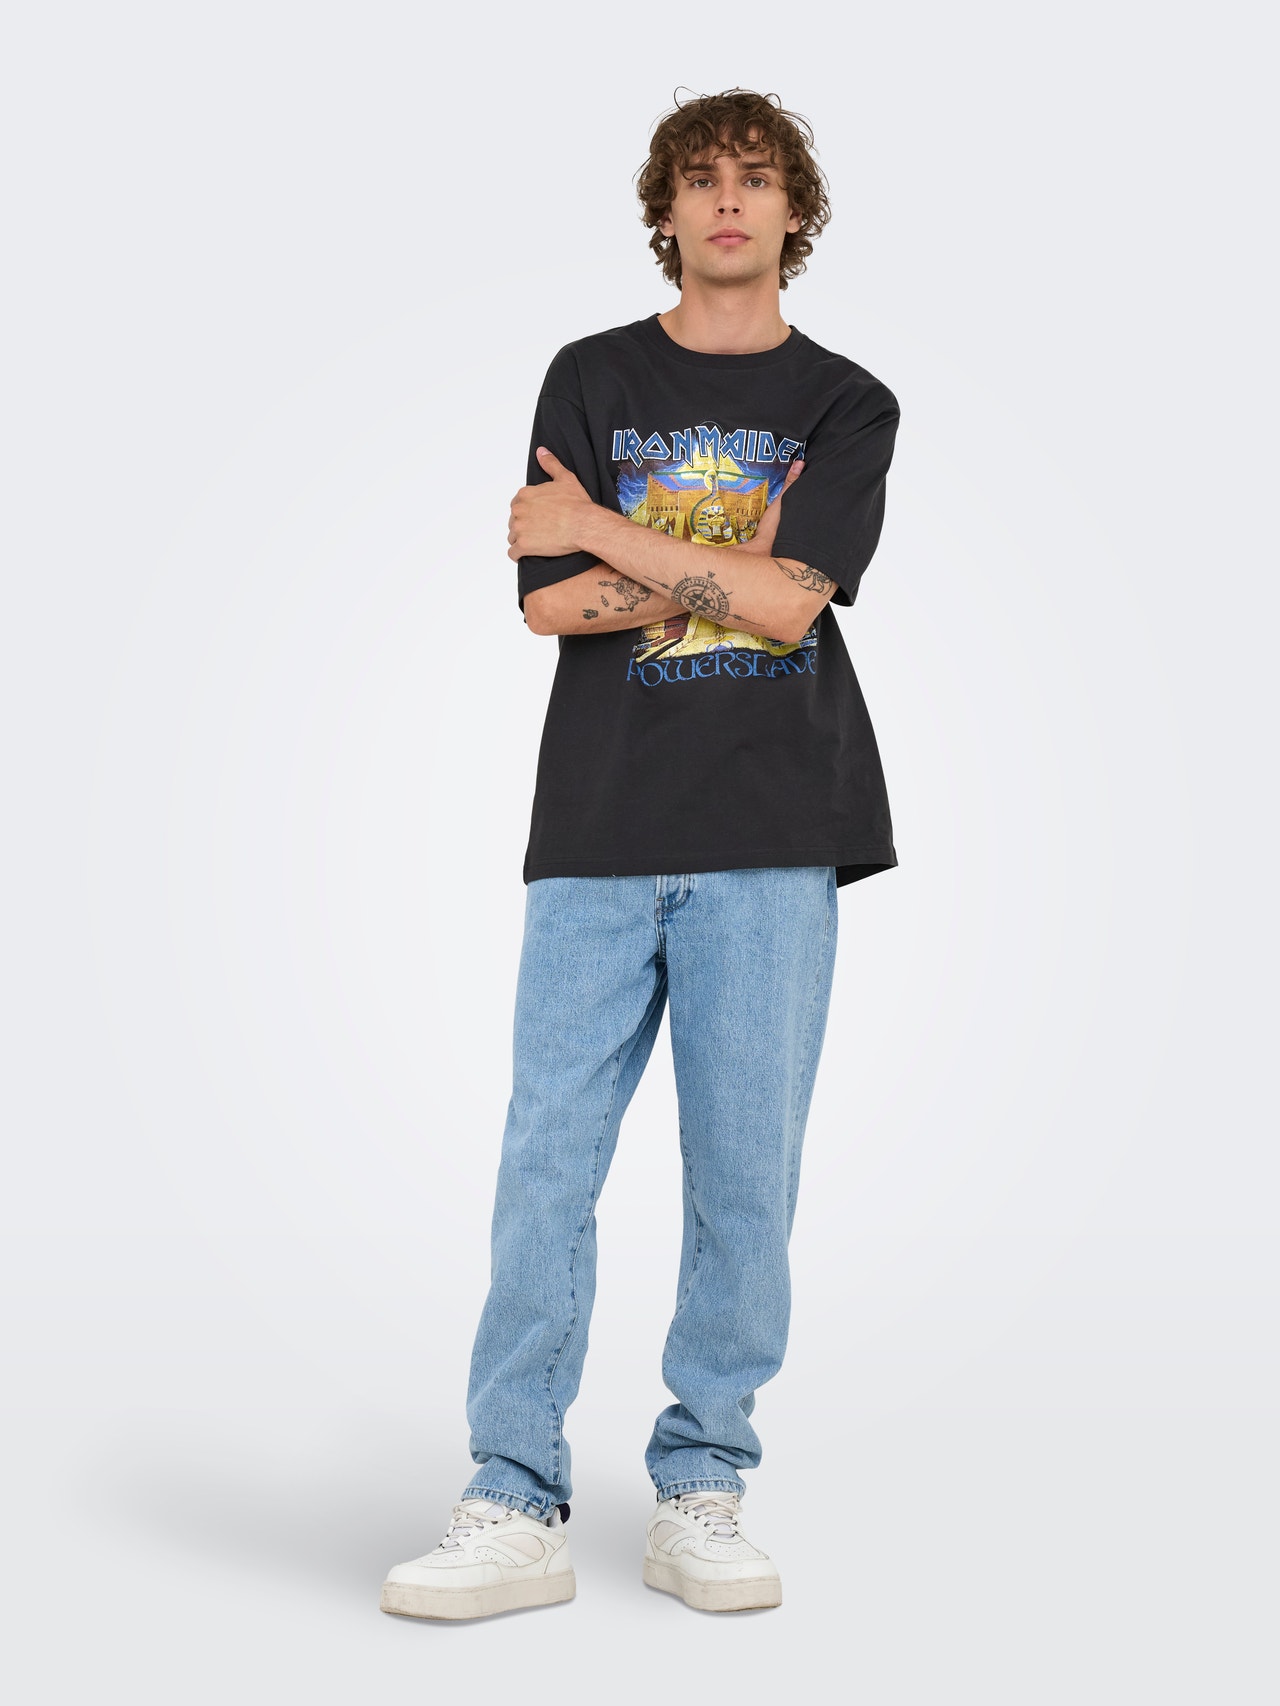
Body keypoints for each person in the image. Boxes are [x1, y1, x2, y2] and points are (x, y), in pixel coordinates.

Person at [380, 86, 902, 1621]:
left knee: (745, 1174)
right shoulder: (592, 373)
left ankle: (703, 1482)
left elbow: (793, 604)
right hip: (599, 825)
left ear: (795, 211)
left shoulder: (849, 402)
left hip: (775, 832)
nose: (729, 200)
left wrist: (606, 525)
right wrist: (726, 561)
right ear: (664, 210)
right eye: (701, 177)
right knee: (547, 1161)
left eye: (757, 177)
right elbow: (545, 604)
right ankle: (511, 1494)